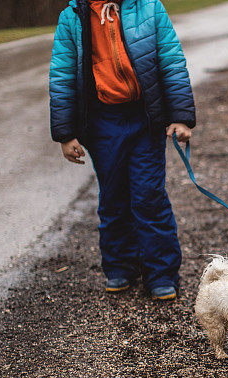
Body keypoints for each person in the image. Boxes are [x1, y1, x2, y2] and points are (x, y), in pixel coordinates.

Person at [49, 0, 195, 301]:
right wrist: (66, 134)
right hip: (102, 123)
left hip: (145, 120)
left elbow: (171, 60)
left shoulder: (150, 9)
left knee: (149, 197)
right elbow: (62, 75)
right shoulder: (73, 17)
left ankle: (161, 273)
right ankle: (120, 266)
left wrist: (180, 116)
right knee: (113, 197)